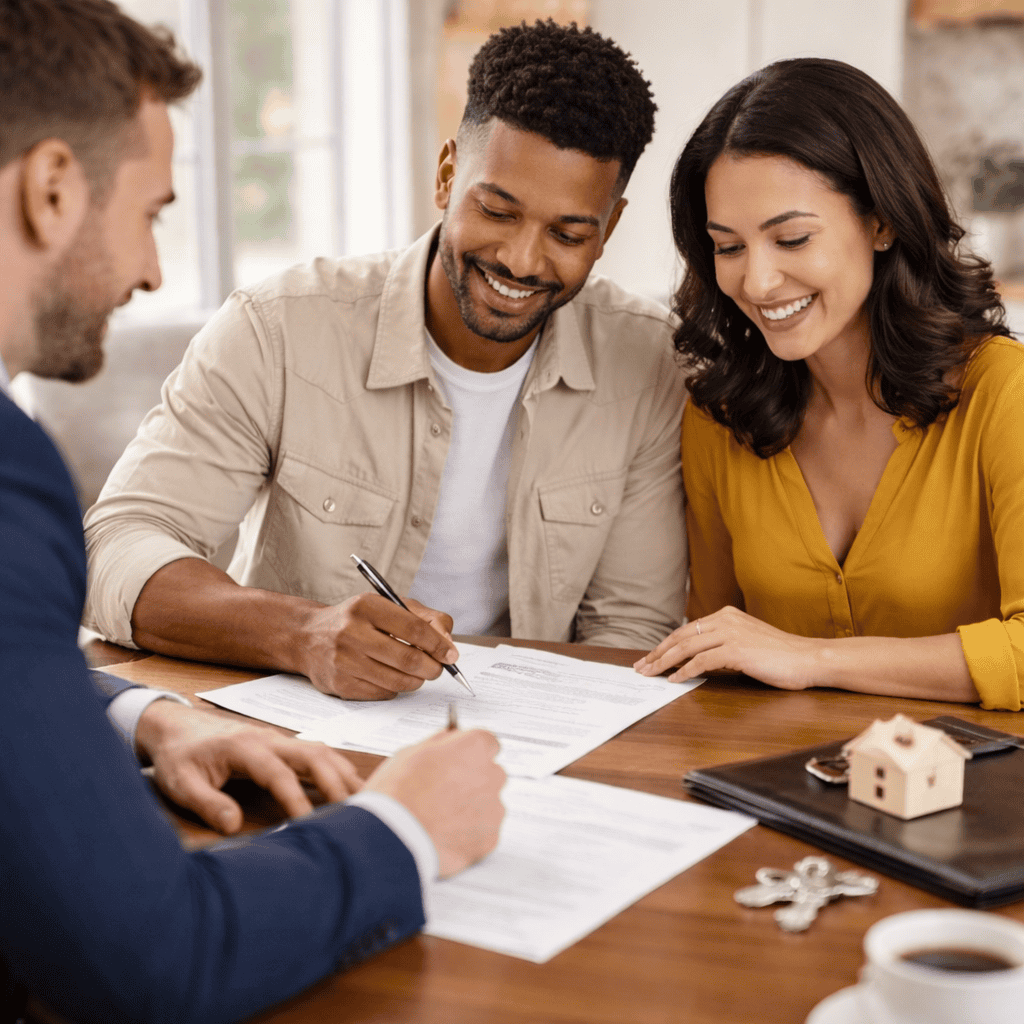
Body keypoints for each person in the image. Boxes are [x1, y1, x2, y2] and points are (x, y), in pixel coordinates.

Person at [0, 3, 505, 1020]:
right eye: (151, 212)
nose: (151, 269)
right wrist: (403, 829)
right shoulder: (12, 478)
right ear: (52, 188)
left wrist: (144, 717)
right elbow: (158, 957)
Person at [82, 19, 688, 700]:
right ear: (447, 175)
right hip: (296, 728)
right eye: (497, 211)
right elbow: (117, 547)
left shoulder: (647, 364)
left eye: (567, 234)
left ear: (608, 229)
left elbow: (630, 632)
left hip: (525, 733)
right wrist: (302, 633)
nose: (522, 260)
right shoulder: (279, 329)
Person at [634, 57, 1023, 710]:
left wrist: (808, 658)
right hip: (775, 769)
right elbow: (715, 649)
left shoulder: (1003, 393)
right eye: (729, 247)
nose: (758, 282)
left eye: (791, 239)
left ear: (882, 221)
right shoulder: (719, 414)